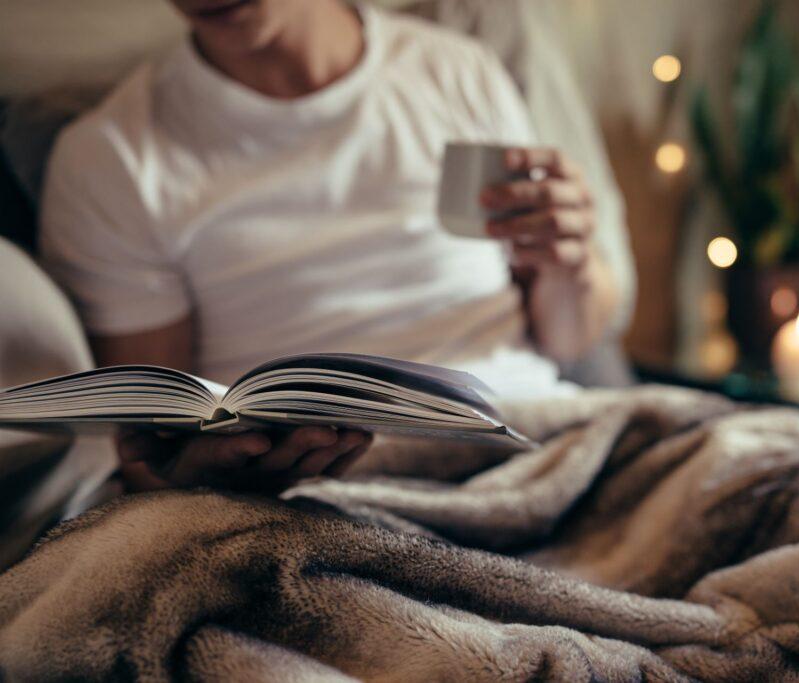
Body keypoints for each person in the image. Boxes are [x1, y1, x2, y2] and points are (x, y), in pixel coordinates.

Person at [40, 0, 622, 493]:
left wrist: (570, 261)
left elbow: (570, 338)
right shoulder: (110, 158)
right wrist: (206, 469)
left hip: (531, 437)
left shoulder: (454, 70)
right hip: (329, 487)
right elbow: (160, 438)